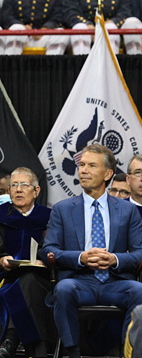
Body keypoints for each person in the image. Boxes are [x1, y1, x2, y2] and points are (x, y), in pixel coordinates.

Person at [44, 143, 142, 358]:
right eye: (82, 165)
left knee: (139, 290)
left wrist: (114, 259)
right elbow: (48, 250)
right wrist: (81, 257)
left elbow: (139, 253)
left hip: (115, 282)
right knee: (63, 289)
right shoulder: (62, 209)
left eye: (91, 166)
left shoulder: (127, 210)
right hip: (79, 281)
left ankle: (129, 352)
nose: (83, 170)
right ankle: (73, 353)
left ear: (107, 174)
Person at [0, 167, 55, 358]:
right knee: (21, 285)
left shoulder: (51, 218)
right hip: (4, 278)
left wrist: (44, 260)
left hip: (41, 279)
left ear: (36, 191)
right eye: (14, 185)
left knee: (28, 280)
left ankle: (9, 342)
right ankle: (35, 352)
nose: (18, 190)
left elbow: (57, 248)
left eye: (24, 185)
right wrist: (1, 260)